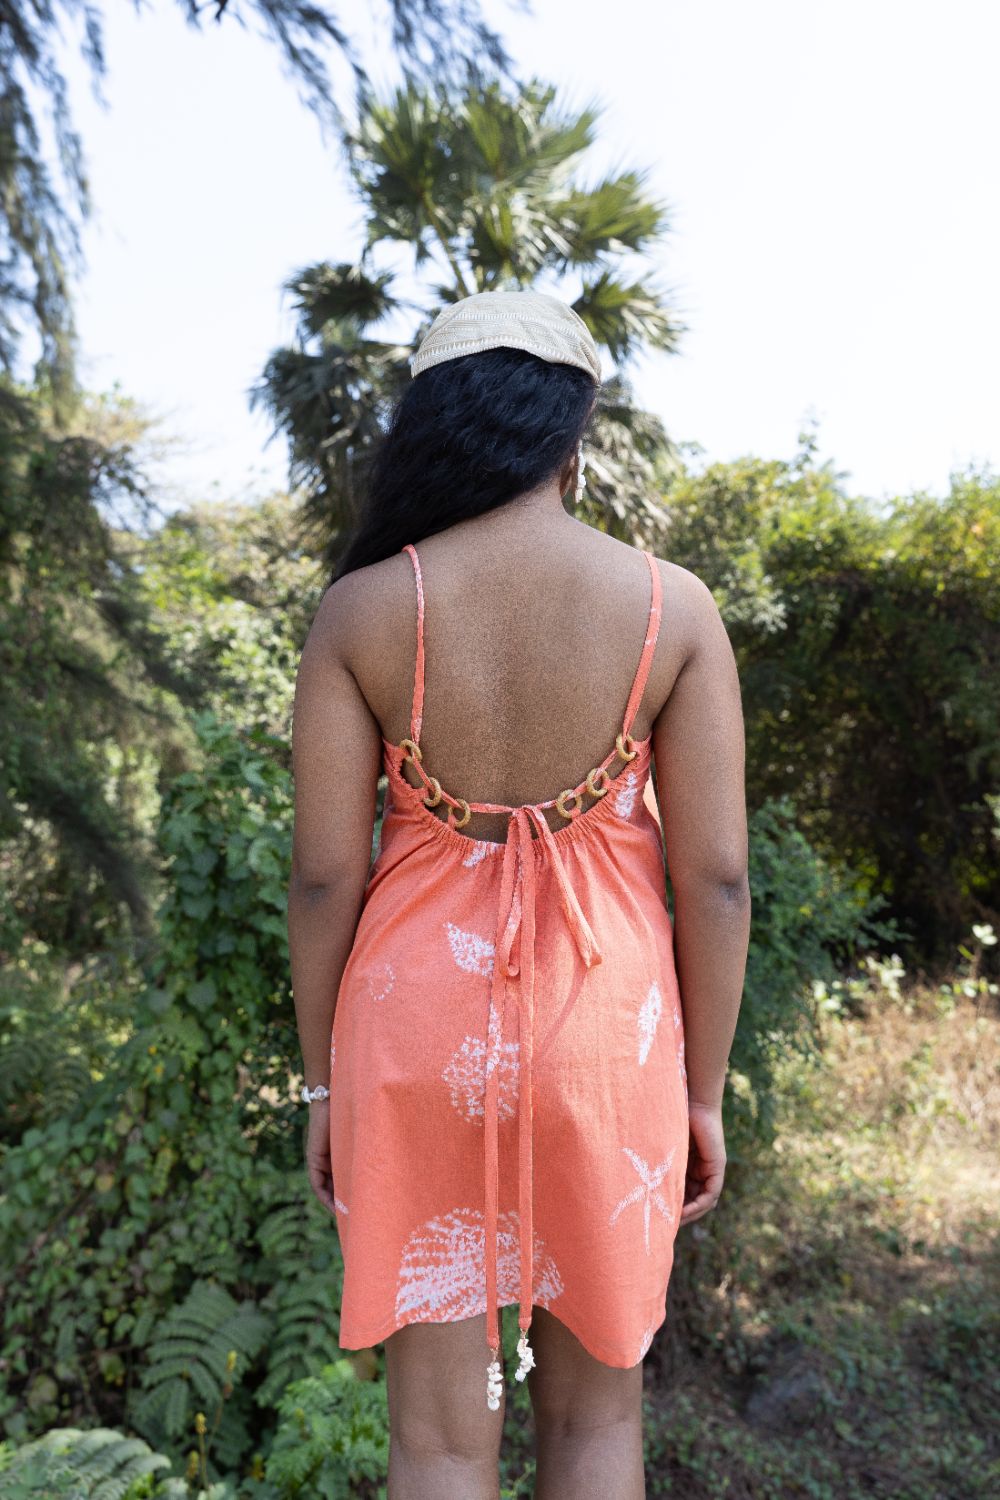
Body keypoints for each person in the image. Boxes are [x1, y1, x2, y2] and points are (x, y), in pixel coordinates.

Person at [287, 288, 750, 1500]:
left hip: (411, 1043)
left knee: (438, 1443)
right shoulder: (672, 607)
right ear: (571, 438)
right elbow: (715, 879)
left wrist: (323, 1087)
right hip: (606, 1039)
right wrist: (701, 1094)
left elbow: (325, 876)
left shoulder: (364, 611)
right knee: (597, 1426)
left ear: (433, 430)